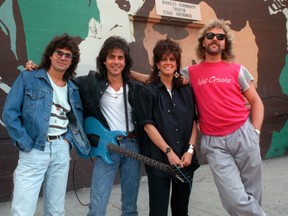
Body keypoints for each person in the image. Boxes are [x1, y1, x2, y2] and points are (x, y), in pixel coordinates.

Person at [183, 19, 266, 215]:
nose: (215, 39)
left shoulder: (237, 70)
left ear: (225, 43)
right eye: (210, 35)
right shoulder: (191, 73)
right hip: (215, 143)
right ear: (203, 41)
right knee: (234, 198)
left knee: (253, 193)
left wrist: (255, 131)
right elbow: (161, 78)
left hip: (244, 134)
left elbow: (256, 102)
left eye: (220, 37)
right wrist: (131, 75)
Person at [2, 33, 91, 216]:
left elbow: (75, 119)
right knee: (22, 210)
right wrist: (26, 143)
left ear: (72, 61)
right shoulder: (29, 78)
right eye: (59, 53)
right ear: (51, 54)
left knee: (56, 210)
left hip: (60, 150)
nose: (63, 58)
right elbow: (10, 113)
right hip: (34, 149)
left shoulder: (73, 88)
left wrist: (68, 141)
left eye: (68, 55)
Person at [76, 36, 142, 216]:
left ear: (126, 61)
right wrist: (38, 68)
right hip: (107, 147)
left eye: (121, 58)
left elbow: (157, 80)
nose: (116, 61)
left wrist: (132, 74)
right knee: (97, 206)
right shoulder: (91, 81)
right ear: (104, 60)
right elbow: (62, 76)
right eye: (112, 57)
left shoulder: (134, 87)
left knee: (130, 205)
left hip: (132, 147)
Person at [137, 39, 199, 216]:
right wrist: (169, 152)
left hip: (185, 160)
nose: (168, 63)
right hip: (159, 160)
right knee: (158, 210)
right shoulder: (148, 91)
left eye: (172, 59)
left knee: (181, 209)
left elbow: (193, 121)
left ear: (177, 63)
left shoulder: (186, 89)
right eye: (164, 59)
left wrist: (190, 150)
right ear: (157, 63)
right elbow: (148, 126)